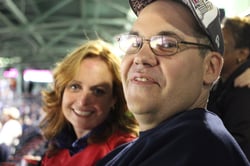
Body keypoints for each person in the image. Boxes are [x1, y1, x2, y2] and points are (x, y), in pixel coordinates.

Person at [97, 0, 250, 165]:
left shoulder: (199, 151)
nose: (141, 57)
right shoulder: (142, 147)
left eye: (166, 44)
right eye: (135, 42)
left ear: (210, 68)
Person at [39, 39, 139, 166]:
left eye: (98, 91)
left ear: (114, 98)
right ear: (61, 91)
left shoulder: (125, 152)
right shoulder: (57, 148)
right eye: (75, 87)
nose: (83, 101)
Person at [208, 16, 250, 161]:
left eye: (222, 44)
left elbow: (238, 143)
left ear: (242, 54)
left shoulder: (243, 89)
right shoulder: (221, 80)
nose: (214, 47)